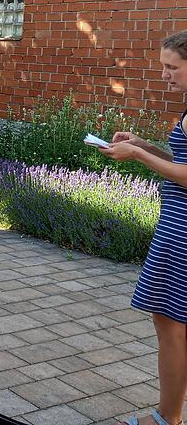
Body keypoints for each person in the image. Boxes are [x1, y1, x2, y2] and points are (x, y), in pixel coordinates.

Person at [101, 30, 187, 425]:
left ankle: (167, 418)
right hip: (177, 224)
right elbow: (179, 161)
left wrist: (137, 153)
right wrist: (146, 147)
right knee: (172, 322)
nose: (166, 75)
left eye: (173, 67)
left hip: (181, 232)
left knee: (170, 324)